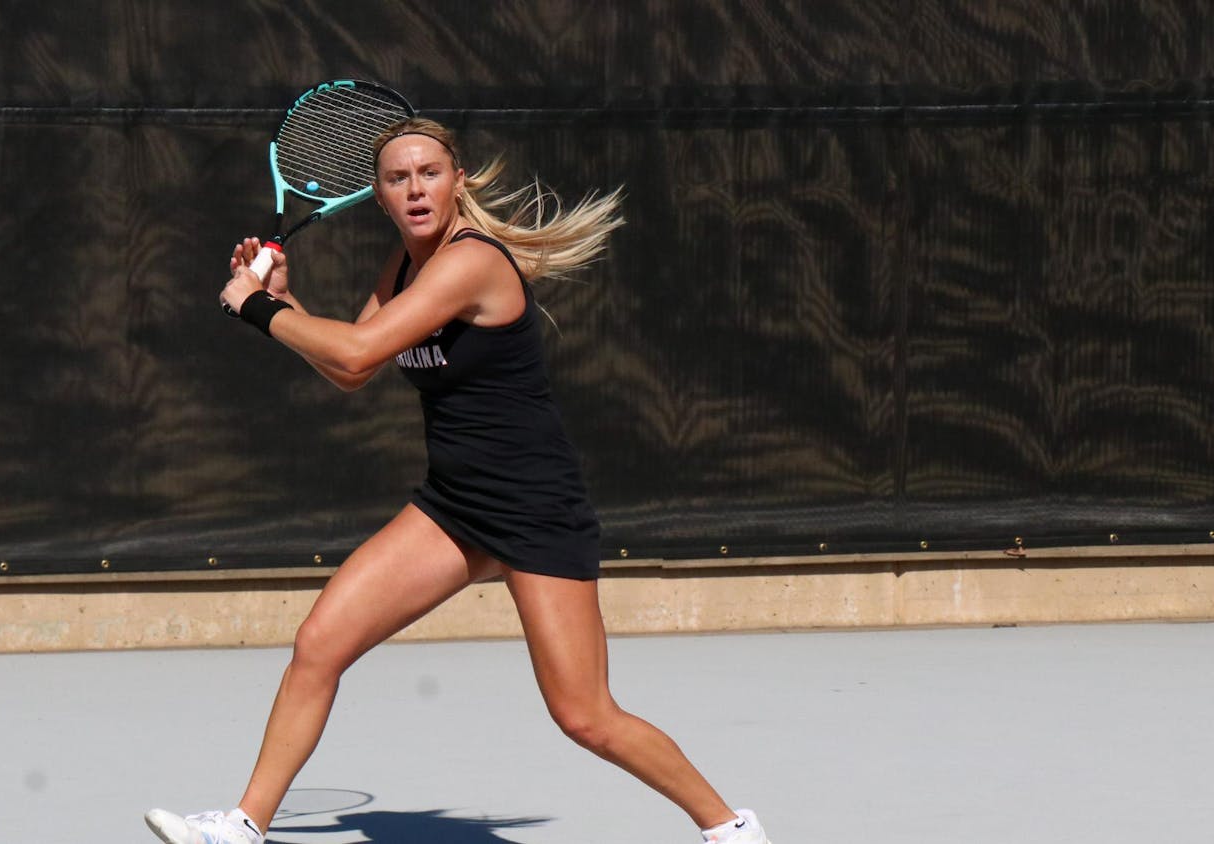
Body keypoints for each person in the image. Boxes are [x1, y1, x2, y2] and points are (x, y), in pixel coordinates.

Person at [145, 117, 772, 844]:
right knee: (320, 642)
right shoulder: (403, 267)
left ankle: (730, 828)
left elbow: (354, 355)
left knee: (585, 715)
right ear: (376, 196)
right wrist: (288, 304)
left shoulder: (472, 262)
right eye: (397, 178)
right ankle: (243, 826)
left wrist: (256, 306)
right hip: (453, 507)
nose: (415, 188)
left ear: (457, 181)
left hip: (536, 508)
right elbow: (355, 369)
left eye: (430, 173)